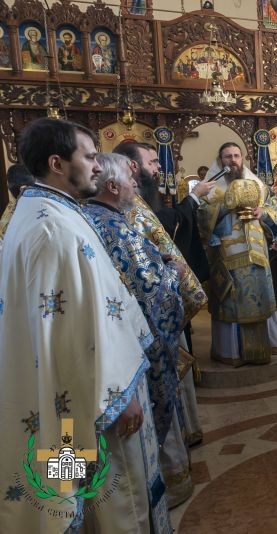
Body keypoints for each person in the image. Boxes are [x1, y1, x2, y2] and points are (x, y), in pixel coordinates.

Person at [0, 118, 171, 532]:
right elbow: (72, 329)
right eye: (90, 156)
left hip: (72, 393)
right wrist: (119, 395)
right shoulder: (53, 228)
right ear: (58, 163)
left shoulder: (43, 210)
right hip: (96, 399)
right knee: (119, 501)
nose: (99, 166)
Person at [84, 153, 194, 511]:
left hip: (94, 361)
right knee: (127, 456)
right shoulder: (112, 224)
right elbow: (150, 291)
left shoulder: (82, 218)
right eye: (130, 180)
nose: (135, 185)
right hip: (122, 363)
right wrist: (172, 275)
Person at [114, 142, 208, 458]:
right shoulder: (124, 210)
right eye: (152, 162)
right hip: (145, 319)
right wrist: (173, 275)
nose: (157, 168)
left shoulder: (133, 205)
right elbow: (142, 276)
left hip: (153, 312)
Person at [198, 142, 277, 366]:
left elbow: (273, 207)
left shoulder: (257, 184)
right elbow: (201, 219)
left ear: (243, 158)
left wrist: (262, 213)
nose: (233, 160)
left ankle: (265, 347)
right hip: (227, 254)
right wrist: (227, 205)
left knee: (260, 297)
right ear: (220, 161)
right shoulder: (211, 188)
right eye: (228, 157)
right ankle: (232, 352)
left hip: (257, 252)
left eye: (237, 156)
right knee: (231, 299)